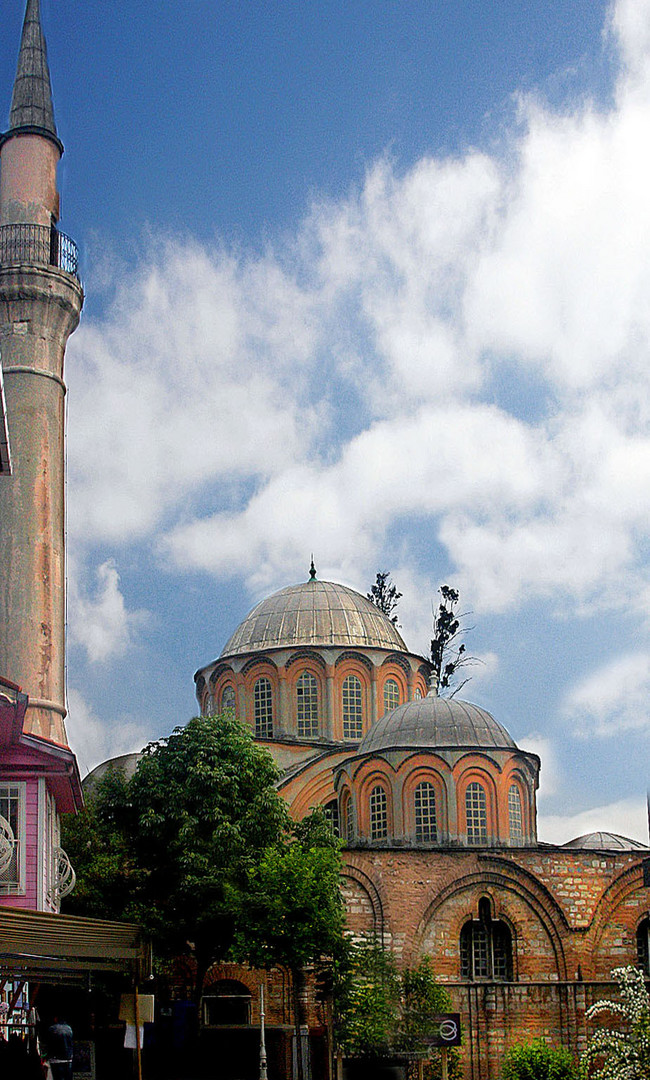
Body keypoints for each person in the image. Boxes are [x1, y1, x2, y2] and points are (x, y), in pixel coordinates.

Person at [47, 1016, 74, 1080]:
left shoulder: (52, 1029)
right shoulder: (69, 1029)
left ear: (56, 1019)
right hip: (68, 1058)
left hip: (56, 1059)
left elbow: (49, 1043)